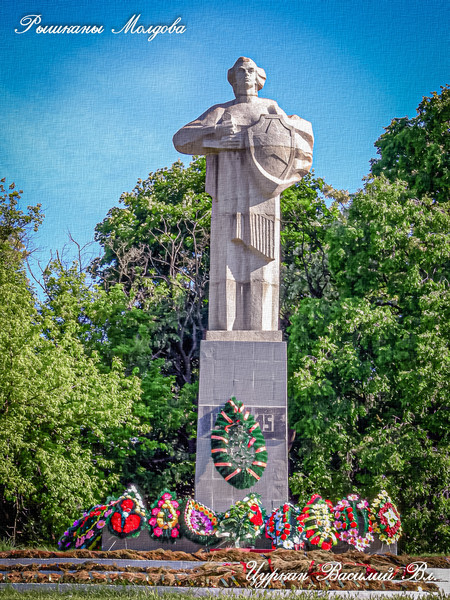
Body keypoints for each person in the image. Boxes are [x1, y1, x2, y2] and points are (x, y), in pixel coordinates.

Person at [173, 57, 313, 334]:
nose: (246, 76)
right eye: (241, 71)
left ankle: (260, 328)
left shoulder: (270, 108)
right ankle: (225, 328)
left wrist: (245, 142)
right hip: (227, 197)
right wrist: (214, 131)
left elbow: (295, 138)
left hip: (263, 196)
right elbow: (181, 140)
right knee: (226, 266)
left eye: (251, 71)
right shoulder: (221, 111)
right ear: (232, 78)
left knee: (262, 268)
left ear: (259, 78)